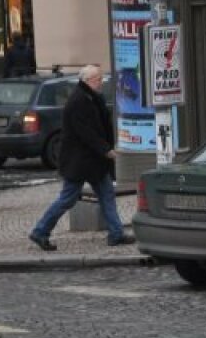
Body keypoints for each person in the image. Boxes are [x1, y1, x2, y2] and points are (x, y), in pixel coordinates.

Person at [29, 64, 133, 251]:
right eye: (98, 79)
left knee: (106, 194)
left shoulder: (91, 97)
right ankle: (40, 231)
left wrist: (106, 148)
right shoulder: (78, 101)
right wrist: (105, 150)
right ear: (87, 81)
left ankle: (116, 233)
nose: (101, 82)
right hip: (80, 161)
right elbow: (86, 133)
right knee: (68, 199)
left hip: (93, 161)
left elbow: (100, 127)